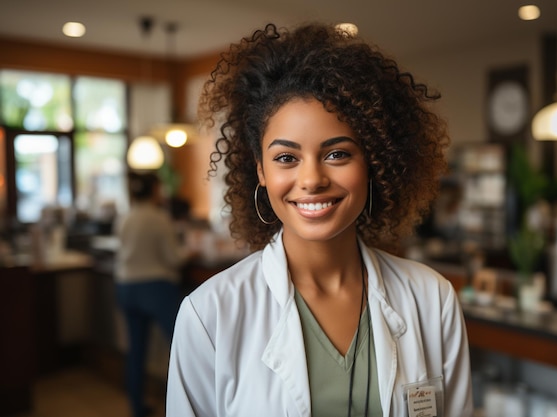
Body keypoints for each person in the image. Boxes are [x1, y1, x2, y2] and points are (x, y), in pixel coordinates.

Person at [166, 22, 473, 417]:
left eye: (337, 154)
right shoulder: (210, 315)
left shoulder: (432, 299)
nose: (311, 180)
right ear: (260, 170)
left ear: (373, 163)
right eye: (286, 158)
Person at [115, 171, 192, 417]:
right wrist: (192, 252)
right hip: (154, 289)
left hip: (126, 288)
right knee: (185, 348)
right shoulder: (159, 218)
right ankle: (185, 409)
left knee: (136, 352)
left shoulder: (125, 218)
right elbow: (174, 258)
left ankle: (137, 409)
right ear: (154, 190)